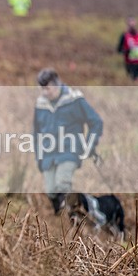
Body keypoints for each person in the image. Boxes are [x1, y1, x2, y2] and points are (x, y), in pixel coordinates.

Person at [33, 69, 103, 215]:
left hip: (69, 150)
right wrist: (39, 157)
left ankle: (72, 216)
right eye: (42, 89)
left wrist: (90, 144)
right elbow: (37, 132)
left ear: (57, 85)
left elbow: (96, 121)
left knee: (62, 184)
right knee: (51, 190)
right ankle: (61, 216)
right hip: (48, 154)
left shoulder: (75, 100)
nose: (45, 92)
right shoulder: (41, 104)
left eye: (48, 88)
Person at [116, 16, 138, 81]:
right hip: (131, 63)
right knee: (136, 81)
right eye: (130, 22)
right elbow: (119, 49)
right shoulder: (124, 36)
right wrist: (126, 51)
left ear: (136, 23)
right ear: (127, 24)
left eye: (133, 22)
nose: (132, 24)